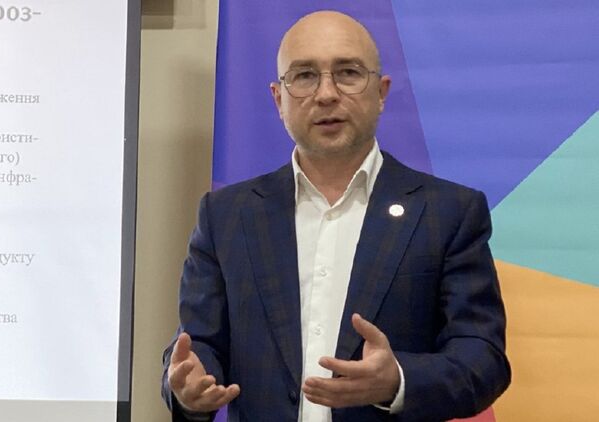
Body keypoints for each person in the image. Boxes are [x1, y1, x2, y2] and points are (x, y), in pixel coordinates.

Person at [162, 10, 510, 422]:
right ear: (278, 98)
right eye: (304, 76)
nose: (326, 94)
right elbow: (198, 344)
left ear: (381, 92)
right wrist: (187, 386)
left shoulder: (448, 212)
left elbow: (482, 359)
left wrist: (398, 380)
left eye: (347, 73)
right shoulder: (226, 216)